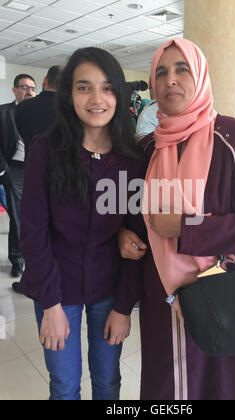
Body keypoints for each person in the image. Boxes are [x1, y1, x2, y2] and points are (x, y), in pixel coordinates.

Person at [118, 38, 235, 400]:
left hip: (229, 290)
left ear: (201, 75)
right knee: (169, 385)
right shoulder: (146, 149)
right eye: (161, 72)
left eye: (181, 69)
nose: (170, 80)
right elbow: (132, 220)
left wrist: (187, 227)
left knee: (224, 382)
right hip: (164, 294)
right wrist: (122, 236)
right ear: (153, 85)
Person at [19, 47, 142, 400]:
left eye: (107, 88)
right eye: (84, 87)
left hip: (108, 286)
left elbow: (136, 240)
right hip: (57, 286)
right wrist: (52, 305)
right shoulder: (47, 150)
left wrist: (123, 307)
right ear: (69, 94)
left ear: (119, 94)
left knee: (107, 383)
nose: (97, 99)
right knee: (64, 385)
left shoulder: (131, 161)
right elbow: (33, 234)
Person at [12, 66, 63, 295]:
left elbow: (21, 135)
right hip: (63, 175)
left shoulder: (24, 108)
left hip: (31, 171)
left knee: (33, 227)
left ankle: (32, 280)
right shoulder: (69, 109)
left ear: (44, 81)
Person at [0, 74, 36, 278]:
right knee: (17, 215)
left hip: (37, 169)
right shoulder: (4, 112)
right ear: (14, 90)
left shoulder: (38, 112)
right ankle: (18, 260)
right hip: (14, 169)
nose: (29, 91)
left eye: (32, 88)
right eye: (24, 87)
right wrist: (3, 168)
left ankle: (36, 256)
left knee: (37, 215)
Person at [15, 65, 63, 158]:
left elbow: (22, 137)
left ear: (45, 80)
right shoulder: (72, 109)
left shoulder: (22, 107)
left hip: (32, 165)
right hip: (64, 168)